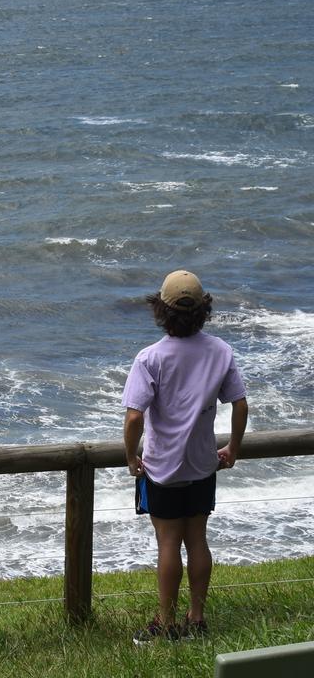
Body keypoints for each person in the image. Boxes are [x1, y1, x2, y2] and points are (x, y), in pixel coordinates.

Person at [123, 270, 247, 642]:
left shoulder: (150, 358)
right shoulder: (220, 351)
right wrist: (234, 448)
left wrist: (131, 457)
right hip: (202, 464)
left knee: (167, 544)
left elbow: (134, 417)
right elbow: (239, 404)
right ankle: (196, 619)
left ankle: (166, 622)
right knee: (197, 540)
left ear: (160, 310)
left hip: (162, 467)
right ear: (203, 309)